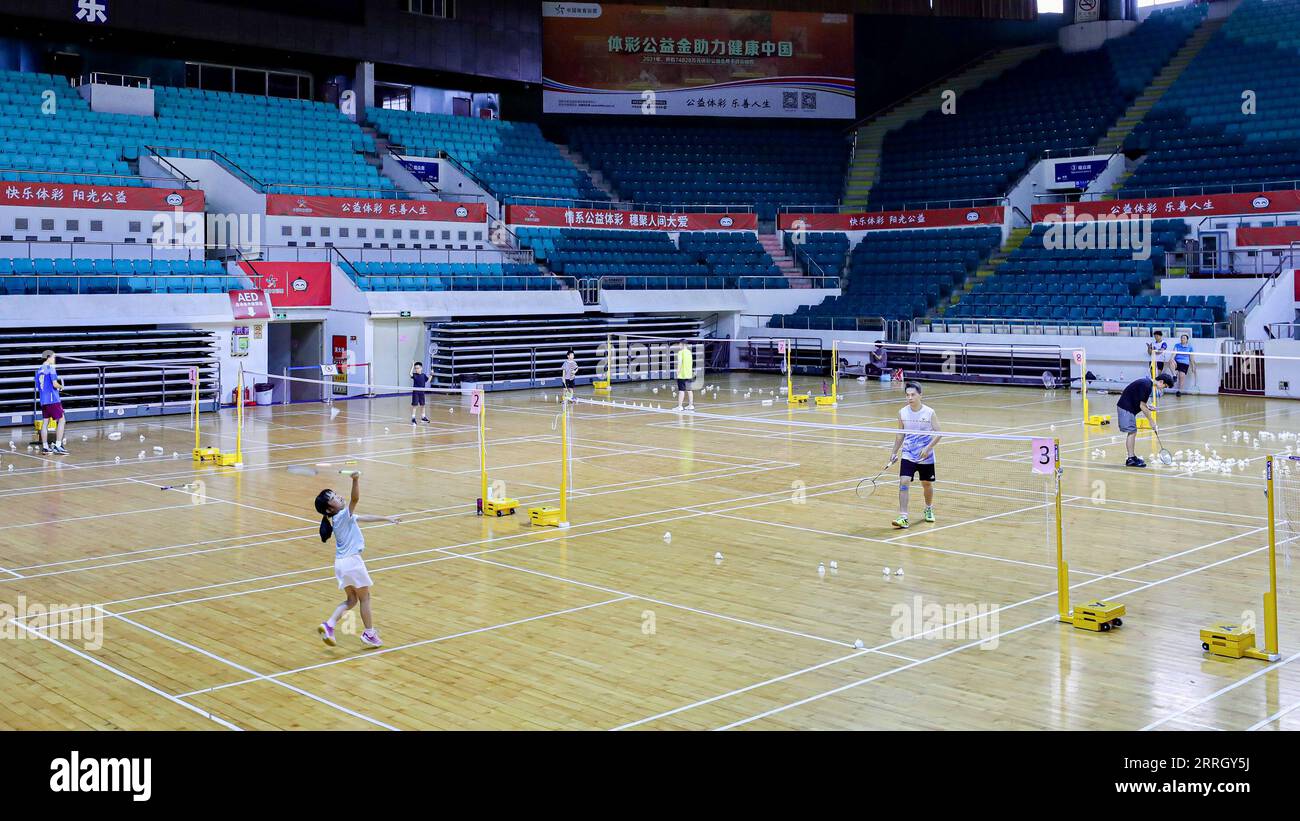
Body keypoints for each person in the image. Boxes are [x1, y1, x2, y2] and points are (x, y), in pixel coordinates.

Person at [315, 471, 399, 648]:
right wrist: (355, 480)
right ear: (330, 509)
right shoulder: (342, 515)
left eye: (336, 494)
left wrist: (386, 518)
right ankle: (369, 633)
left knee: (352, 600)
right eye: (334, 498)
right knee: (365, 598)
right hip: (352, 562)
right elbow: (355, 499)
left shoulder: (342, 518)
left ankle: (329, 625)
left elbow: (363, 517)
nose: (339, 497)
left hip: (340, 564)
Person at [888, 382, 941, 529]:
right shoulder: (902, 412)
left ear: (920, 395)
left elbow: (939, 433)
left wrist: (928, 448)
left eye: (913, 394)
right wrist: (893, 452)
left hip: (926, 456)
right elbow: (900, 435)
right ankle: (903, 517)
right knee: (904, 482)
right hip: (908, 454)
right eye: (907, 395)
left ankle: (928, 507)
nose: (909, 397)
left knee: (926, 484)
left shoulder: (929, 412)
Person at [1117, 372, 1174, 468]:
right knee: (1132, 432)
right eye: (1164, 386)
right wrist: (1152, 421)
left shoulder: (1147, 384)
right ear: (1161, 381)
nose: (1163, 388)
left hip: (1128, 407)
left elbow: (1140, 401)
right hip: (1125, 408)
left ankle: (1132, 457)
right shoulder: (1146, 385)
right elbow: (1141, 406)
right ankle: (1130, 459)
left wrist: (1148, 406)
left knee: (1133, 431)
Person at [35, 349, 67, 455]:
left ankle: (45, 447)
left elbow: (39, 387)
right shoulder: (51, 369)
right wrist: (61, 386)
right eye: (53, 357)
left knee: (45, 422)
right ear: (48, 357)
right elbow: (54, 384)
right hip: (53, 400)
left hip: (43, 400)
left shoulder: (38, 370)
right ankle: (58, 445)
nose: (54, 359)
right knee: (62, 420)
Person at [674, 340, 694, 413]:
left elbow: (679, 363)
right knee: (689, 390)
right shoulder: (689, 352)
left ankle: (680, 406)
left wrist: (677, 372)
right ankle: (691, 405)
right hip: (689, 374)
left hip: (682, 375)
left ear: (682, 344)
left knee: (681, 391)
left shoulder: (680, 352)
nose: (678, 346)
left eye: (679, 344)